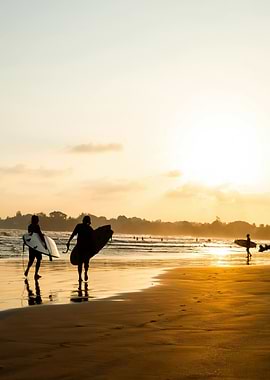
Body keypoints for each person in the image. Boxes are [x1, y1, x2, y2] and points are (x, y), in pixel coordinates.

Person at [66, 215, 94, 282]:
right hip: (86, 248)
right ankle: (85, 273)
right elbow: (93, 240)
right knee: (86, 262)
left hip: (80, 247)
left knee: (80, 262)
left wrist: (69, 241)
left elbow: (73, 234)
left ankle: (80, 277)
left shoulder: (79, 226)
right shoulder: (89, 229)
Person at [24, 215, 45, 279]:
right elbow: (39, 235)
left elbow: (31, 235)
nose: (38, 221)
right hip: (37, 246)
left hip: (31, 245)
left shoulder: (29, 226)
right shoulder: (36, 226)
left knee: (31, 260)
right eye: (37, 219)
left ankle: (27, 270)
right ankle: (36, 274)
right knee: (39, 259)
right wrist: (44, 243)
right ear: (36, 220)